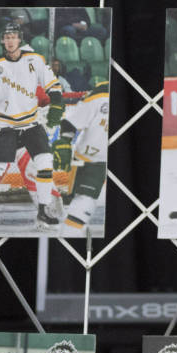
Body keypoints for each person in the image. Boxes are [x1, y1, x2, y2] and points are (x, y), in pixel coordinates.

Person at [0, 19, 64, 227]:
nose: (10, 41)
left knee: (45, 164)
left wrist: (56, 106)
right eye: (6, 38)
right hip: (5, 127)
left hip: (31, 124)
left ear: (20, 39)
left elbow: (54, 86)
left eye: (13, 37)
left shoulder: (34, 61)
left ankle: (43, 210)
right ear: (2, 41)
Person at [55, 72, 109, 233]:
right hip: (93, 161)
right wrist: (64, 141)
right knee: (82, 205)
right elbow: (71, 122)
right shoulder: (101, 94)